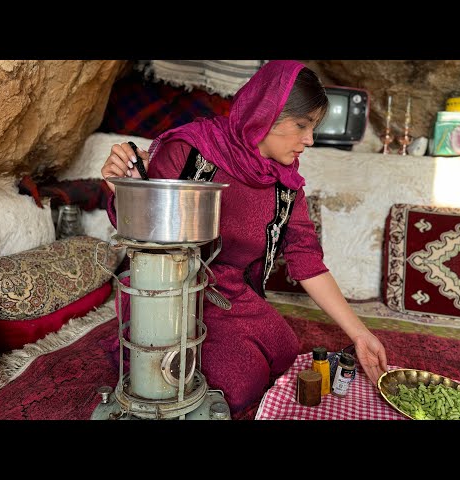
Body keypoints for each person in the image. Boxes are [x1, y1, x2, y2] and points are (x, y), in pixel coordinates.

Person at [101, 60, 388, 415]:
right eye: (301, 125)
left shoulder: (285, 183)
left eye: (312, 128)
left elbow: (307, 261)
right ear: (266, 113)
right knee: (237, 384)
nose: (309, 140)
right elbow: (140, 229)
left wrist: (360, 334)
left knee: (284, 349)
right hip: (174, 293)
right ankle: (144, 356)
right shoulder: (191, 150)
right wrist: (123, 186)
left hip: (234, 293)